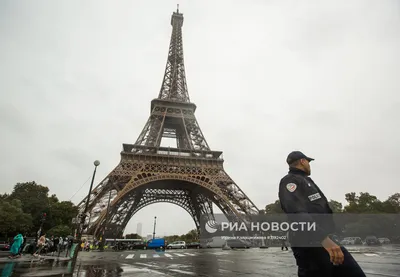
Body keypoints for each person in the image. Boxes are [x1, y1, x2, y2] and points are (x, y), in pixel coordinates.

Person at [278, 151, 366, 277]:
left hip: (326, 240)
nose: (309, 165)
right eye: (308, 162)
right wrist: (324, 240)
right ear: (303, 161)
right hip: (312, 244)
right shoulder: (290, 181)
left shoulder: (305, 181)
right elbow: (297, 214)